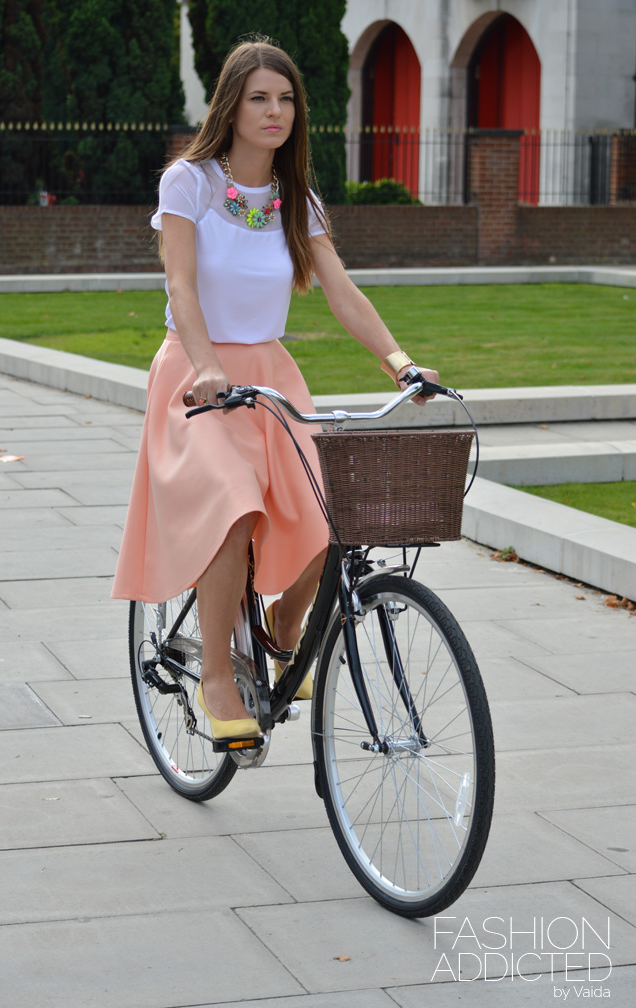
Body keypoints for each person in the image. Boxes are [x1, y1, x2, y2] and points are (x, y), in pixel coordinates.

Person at [111, 38, 439, 741]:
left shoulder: (298, 200)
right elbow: (181, 285)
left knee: (333, 506)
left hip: (269, 375)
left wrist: (400, 362)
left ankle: (283, 628)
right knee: (232, 505)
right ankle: (217, 676)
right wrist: (204, 364)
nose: (275, 110)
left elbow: (341, 291)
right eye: (260, 97)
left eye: (286, 98)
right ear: (230, 105)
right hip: (197, 379)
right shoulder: (189, 183)